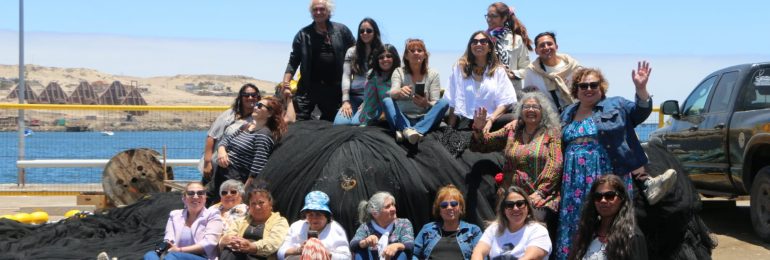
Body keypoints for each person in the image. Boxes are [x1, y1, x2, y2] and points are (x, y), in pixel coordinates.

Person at [555, 62, 676, 259]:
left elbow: (640, 112)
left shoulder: (616, 105)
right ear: (575, 90)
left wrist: (641, 89)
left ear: (601, 88)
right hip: (573, 180)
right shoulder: (567, 113)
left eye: (594, 85)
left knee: (610, 218)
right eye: (583, 86)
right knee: (575, 222)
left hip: (606, 172)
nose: (589, 89)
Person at [469, 91, 562, 245]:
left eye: (535, 107)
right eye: (527, 106)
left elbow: (555, 163)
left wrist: (540, 192)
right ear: (520, 110)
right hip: (510, 198)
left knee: (532, 242)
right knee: (507, 243)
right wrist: (478, 129)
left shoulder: (551, 133)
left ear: (543, 111)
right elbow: (483, 145)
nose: (531, 110)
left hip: (537, 199)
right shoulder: (512, 131)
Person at [282, 0, 355, 121]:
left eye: (322, 9)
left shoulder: (342, 31)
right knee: (299, 121)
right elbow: (293, 61)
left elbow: (356, 52)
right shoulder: (303, 34)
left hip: (335, 88)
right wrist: (285, 84)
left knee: (331, 123)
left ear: (329, 11)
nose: (318, 12)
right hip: (308, 87)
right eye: (315, 10)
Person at [214, 96, 287, 202]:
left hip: (234, 181)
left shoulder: (263, 135)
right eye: (256, 104)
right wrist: (221, 152)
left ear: (270, 114)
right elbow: (224, 142)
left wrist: (244, 193)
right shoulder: (245, 127)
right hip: (220, 174)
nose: (255, 107)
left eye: (260, 106)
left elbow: (256, 169)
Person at [445, 31, 517, 132]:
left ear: (490, 47)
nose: (478, 44)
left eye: (483, 41)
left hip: (490, 121)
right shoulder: (460, 68)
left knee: (515, 118)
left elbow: (506, 100)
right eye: (474, 42)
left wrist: (491, 120)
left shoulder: (498, 71)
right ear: (470, 47)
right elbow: (452, 101)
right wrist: (449, 129)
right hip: (466, 121)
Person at [383, 38, 449, 144]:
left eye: (419, 50)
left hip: (424, 118)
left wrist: (426, 103)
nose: (416, 53)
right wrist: (399, 92)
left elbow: (435, 102)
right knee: (387, 101)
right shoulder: (399, 72)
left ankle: (410, 131)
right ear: (406, 56)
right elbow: (392, 92)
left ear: (425, 55)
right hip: (402, 118)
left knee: (444, 102)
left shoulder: (433, 74)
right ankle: (409, 130)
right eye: (412, 51)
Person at [568, 175, 647, 260]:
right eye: (598, 197)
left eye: (609, 196)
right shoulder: (588, 233)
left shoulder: (632, 236)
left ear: (622, 198)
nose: (603, 200)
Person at [143, 182, 224, 260]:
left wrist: (179, 250)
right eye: (191, 193)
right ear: (184, 199)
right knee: (150, 255)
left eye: (200, 193)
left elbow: (209, 243)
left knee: (171, 256)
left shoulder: (213, 215)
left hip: (203, 257)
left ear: (205, 198)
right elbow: (169, 238)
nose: (195, 196)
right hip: (175, 255)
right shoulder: (174, 215)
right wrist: (167, 245)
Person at [202, 84, 260, 188]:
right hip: (216, 166)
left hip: (239, 172)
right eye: (246, 95)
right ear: (241, 97)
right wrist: (207, 163)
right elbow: (211, 137)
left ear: (258, 97)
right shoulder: (229, 114)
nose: (250, 98)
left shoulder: (259, 117)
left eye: (253, 95)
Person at [471, 186, 551, 260]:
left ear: (528, 208)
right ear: (504, 210)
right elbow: (478, 251)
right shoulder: (494, 228)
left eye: (520, 204)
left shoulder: (538, 231)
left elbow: (530, 258)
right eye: (509, 205)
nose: (515, 208)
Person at [219, 184, 290, 260]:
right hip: (237, 254)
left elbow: (273, 242)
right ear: (249, 206)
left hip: (260, 257)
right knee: (228, 252)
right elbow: (229, 234)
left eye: (261, 203)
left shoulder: (279, 221)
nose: (257, 207)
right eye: (253, 203)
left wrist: (251, 246)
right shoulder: (241, 221)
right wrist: (229, 240)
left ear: (270, 203)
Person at [333, 18, 383, 125]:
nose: (365, 33)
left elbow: (382, 79)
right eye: (362, 31)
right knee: (339, 124)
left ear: (375, 32)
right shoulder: (351, 52)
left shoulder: (382, 52)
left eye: (369, 31)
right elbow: (346, 76)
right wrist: (345, 101)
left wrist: (368, 101)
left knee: (356, 123)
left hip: (373, 98)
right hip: (354, 97)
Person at [413, 184, 482, 260]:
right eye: (444, 205)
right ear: (439, 210)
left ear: (461, 208)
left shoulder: (473, 231)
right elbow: (414, 254)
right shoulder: (427, 229)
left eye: (454, 204)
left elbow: (481, 255)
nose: (449, 208)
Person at [277, 191, 351, 260]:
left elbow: (347, 257)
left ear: (327, 216)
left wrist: (325, 253)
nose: (314, 218)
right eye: (310, 214)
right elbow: (280, 253)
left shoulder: (336, 229)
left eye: (318, 214)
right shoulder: (296, 227)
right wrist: (299, 250)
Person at [523, 32, 580, 112]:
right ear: (536, 51)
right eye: (542, 45)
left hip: (575, 114)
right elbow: (527, 96)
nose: (546, 48)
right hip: (549, 119)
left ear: (556, 46)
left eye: (549, 44)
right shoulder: (532, 71)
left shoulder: (573, 67)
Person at [486, 2, 533, 99]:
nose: (489, 19)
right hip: (487, 93)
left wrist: (512, 74)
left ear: (504, 18)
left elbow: (527, 69)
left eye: (493, 16)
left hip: (511, 94)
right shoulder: (482, 39)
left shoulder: (517, 39)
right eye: (488, 16)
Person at [350, 192, 414, 260]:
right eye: (387, 207)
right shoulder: (366, 227)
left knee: (401, 253)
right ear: (375, 213)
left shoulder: (403, 223)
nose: (393, 209)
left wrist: (397, 246)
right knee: (360, 252)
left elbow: (410, 244)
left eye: (393, 205)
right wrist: (365, 242)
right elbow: (353, 244)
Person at [354, 44, 401, 126]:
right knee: (354, 122)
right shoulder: (373, 75)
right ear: (377, 60)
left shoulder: (402, 72)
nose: (385, 59)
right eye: (381, 57)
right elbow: (370, 100)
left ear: (395, 58)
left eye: (389, 56)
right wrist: (365, 122)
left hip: (400, 111)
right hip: (379, 109)